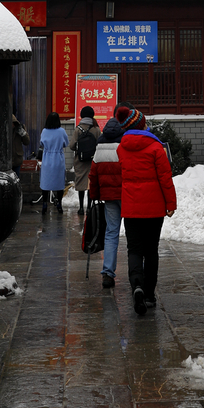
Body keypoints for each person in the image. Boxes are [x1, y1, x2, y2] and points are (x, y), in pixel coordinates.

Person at [116, 108, 176, 315]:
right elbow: (165, 178)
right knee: (151, 250)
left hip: (131, 207)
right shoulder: (156, 147)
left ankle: (137, 286)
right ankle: (149, 294)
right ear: (142, 125)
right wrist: (171, 204)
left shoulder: (121, 149)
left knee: (134, 249)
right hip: (154, 207)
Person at [87, 106, 127, 288]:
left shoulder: (99, 147)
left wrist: (94, 195)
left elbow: (93, 175)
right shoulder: (125, 146)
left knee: (111, 233)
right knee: (134, 235)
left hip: (109, 197)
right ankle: (138, 272)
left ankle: (108, 273)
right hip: (128, 196)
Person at [38, 112, 68, 216]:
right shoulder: (61, 131)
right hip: (58, 159)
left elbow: (41, 143)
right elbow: (66, 143)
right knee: (60, 183)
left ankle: (45, 204)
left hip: (47, 158)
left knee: (45, 183)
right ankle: (59, 203)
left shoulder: (44, 131)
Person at [72, 107, 101, 216]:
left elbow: (72, 146)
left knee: (81, 184)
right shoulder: (96, 129)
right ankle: (89, 206)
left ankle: (80, 207)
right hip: (93, 159)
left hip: (80, 160)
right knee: (90, 184)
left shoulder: (78, 129)